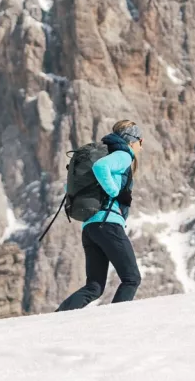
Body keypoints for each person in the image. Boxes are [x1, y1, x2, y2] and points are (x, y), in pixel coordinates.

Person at [57, 120, 145, 310]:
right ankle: (115, 323)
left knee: (94, 287)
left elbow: (69, 187)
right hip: (108, 224)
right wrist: (117, 193)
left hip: (90, 227)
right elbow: (100, 167)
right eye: (140, 140)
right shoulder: (123, 155)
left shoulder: (108, 152)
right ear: (131, 140)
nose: (141, 145)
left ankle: (56, 318)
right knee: (132, 279)